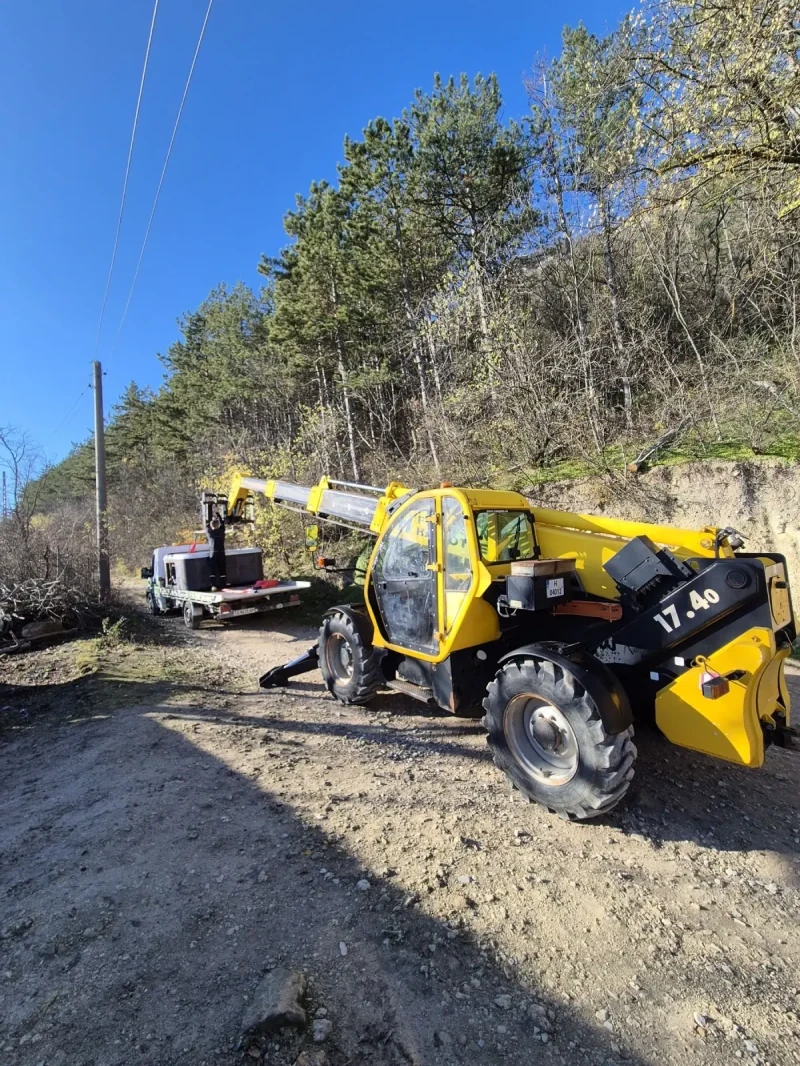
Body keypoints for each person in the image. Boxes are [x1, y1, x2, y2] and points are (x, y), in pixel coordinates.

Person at [206, 513, 227, 591]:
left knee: (213, 571)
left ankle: (213, 585)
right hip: (221, 553)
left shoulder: (210, 533)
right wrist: (219, 516)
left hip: (213, 554)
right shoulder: (221, 533)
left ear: (212, 526)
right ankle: (223, 585)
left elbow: (207, 526)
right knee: (222, 570)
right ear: (218, 525)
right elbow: (223, 524)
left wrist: (210, 517)